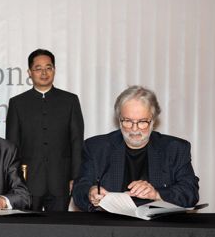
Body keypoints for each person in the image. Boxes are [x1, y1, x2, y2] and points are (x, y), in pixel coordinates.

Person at [72, 85, 200, 211]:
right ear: (119, 120)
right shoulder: (96, 148)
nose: (134, 129)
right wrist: (90, 193)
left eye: (142, 122)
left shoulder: (175, 149)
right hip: (110, 222)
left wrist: (156, 194)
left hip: (159, 223)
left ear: (153, 121)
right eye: (127, 121)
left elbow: (190, 192)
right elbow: (79, 189)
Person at [6, 49, 84, 211]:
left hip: (61, 180)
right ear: (29, 72)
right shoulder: (18, 103)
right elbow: (12, 145)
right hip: (28, 181)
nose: (44, 73)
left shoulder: (70, 101)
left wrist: (75, 178)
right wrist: (15, 180)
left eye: (48, 68)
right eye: (38, 68)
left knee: (59, 225)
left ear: (54, 70)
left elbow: (77, 141)